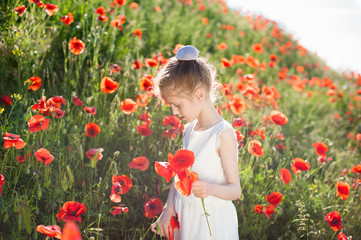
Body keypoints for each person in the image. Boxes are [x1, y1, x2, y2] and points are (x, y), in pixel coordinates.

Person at [151, 45, 241, 239]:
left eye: (178, 105)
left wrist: (211, 189)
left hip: (211, 222)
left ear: (199, 95)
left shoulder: (223, 134)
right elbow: (179, 177)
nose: (175, 112)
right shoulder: (189, 130)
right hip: (186, 215)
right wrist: (168, 210)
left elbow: (235, 190)